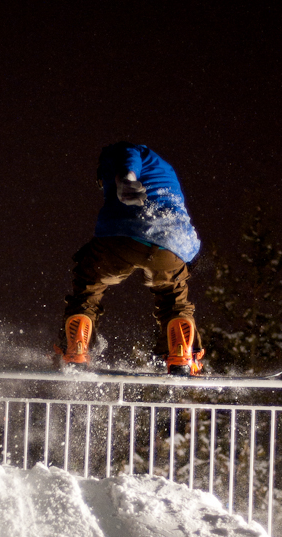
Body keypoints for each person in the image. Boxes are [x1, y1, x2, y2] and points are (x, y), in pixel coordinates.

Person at [57, 142, 203, 375]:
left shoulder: (129, 151)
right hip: (174, 242)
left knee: (89, 284)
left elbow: (129, 159)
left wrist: (127, 178)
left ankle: (77, 349)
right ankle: (181, 355)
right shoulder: (165, 170)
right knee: (173, 296)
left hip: (124, 233)